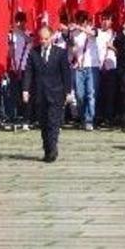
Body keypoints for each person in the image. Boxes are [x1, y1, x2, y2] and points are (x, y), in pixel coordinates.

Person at [22, 25, 75, 163]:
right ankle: (47, 149)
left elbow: (66, 74)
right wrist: (25, 90)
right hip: (39, 94)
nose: (43, 41)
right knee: (44, 124)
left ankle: (52, 150)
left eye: (46, 39)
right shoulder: (33, 52)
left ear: (51, 38)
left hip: (56, 94)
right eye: (41, 39)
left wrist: (68, 92)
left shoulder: (60, 53)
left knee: (53, 123)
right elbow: (28, 72)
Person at [70, 11, 99, 131]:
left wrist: (80, 28)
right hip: (78, 67)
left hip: (92, 66)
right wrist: (74, 52)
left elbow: (93, 34)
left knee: (91, 94)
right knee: (79, 95)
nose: (81, 23)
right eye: (79, 20)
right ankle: (82, 117)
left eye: (83, 20)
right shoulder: (74, 34)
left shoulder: (93, 30)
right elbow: (72, 48)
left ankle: (89, 120)